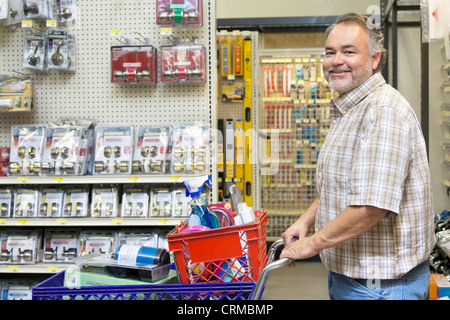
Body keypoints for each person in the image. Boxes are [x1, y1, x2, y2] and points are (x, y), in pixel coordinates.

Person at [280, 12, 436, 300]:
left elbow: (371, 206)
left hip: (380, 288)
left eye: (349, 52)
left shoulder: (382, 112)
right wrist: (305, 221)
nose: (336, 60)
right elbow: (344, 184)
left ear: (375, 60)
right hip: (354, 280)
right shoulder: (351, 108)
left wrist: (313, 244)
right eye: (330, 52)